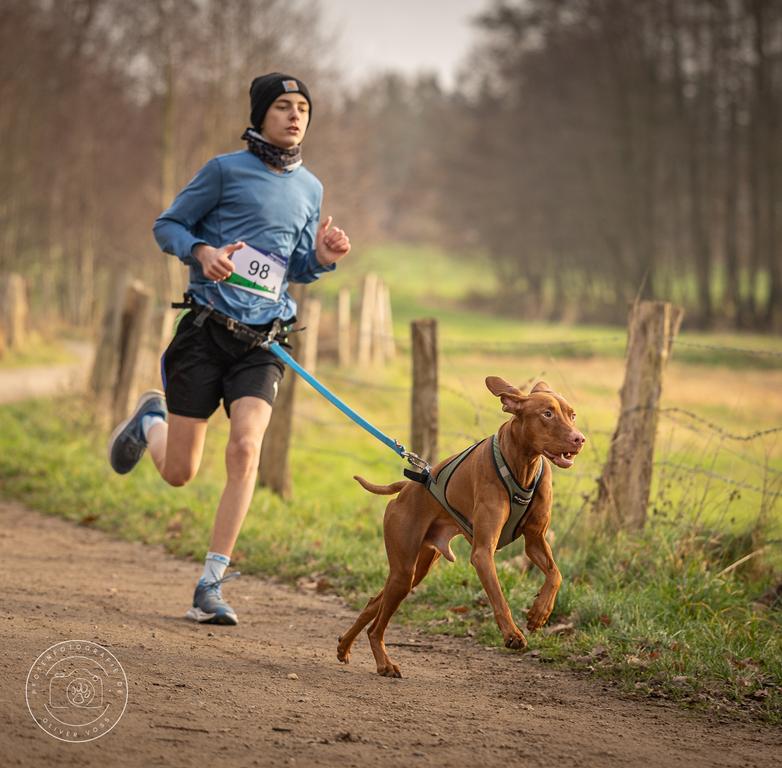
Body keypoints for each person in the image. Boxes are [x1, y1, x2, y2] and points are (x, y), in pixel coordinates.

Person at [107, 72, 350, 625]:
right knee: (180, 473)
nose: (295, 116)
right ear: (261, 114)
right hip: (206, 334)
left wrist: (327, 257)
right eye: (284, 107)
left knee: (244, 449)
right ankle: (151, 421)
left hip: (264, 342)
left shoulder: (310, 188)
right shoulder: (223, 171)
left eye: (303, 109)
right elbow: (166, 225)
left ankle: (210, 585)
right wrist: (201, 251)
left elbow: (298, 269)